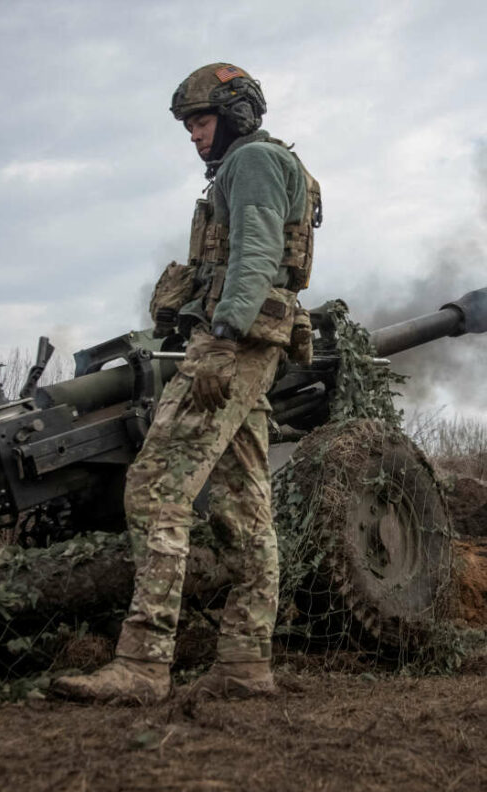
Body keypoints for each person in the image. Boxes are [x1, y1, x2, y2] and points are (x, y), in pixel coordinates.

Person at [53, 63, 321, 705]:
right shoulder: (263, 163)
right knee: (244, 509)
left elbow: (256, 254)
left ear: (234, 115)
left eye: (201, 122)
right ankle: (245, 664)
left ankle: (143, 665)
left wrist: (222, 339)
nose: (195, 135)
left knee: (154, 489)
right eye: (189, 125)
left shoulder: (252, 161)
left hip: (233, 345)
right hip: (251, 344)